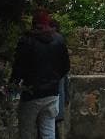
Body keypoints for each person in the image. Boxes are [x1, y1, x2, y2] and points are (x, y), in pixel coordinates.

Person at [10, 9, 70, 139]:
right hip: (52, 93)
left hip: (32, 92)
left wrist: (13, 85)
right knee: (49, 132)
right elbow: (65, 67)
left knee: (26, 131)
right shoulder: (59, 40)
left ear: (33, 24)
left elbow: (18, 67)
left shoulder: (27, 41)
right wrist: (53, 79)